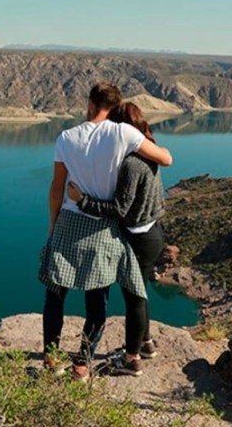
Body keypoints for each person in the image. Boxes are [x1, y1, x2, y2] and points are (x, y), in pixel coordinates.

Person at [40, 82, 172, 380]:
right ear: (116, 107)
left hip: (68, 221)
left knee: (55, 294)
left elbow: (56, 189)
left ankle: (50, 358)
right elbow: (164, 158)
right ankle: (82, 365)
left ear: (90, 103)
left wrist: (52, 225)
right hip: (101, 228)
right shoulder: (124, 134)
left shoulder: (65, 137)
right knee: (96, 301)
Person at [67, 102, 166, 376]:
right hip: (153, 234)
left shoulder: (132, 163)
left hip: (138, 239)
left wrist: (81, 200)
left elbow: (119, 210)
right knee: (140, 293)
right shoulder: (151, 154)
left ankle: (131, 358)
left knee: (133, 297)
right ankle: (145, 342)